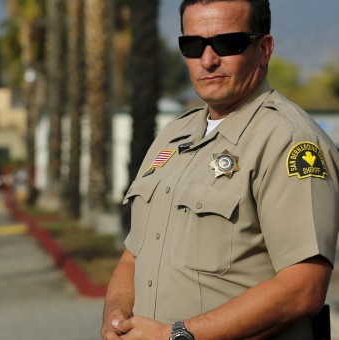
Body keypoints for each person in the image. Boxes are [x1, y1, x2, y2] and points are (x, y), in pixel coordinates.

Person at [101, 1, 339, 339]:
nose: (208, 59)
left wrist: (176, 335)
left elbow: (303, 287)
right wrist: (115, 319)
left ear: (264, 49)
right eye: (193, 45)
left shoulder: (288, 141)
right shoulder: (173, 136)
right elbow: (133, 256)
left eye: (228, 43)